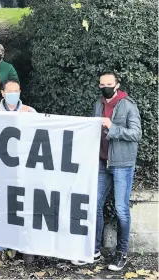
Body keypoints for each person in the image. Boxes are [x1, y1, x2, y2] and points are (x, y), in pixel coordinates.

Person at [72, 72, 142, 271]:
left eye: (109, 84)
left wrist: (113, 127)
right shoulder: (98, 104)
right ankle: (93, 250)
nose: (105, 87)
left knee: (121, 209)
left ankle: (121, 253)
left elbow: (136, 134)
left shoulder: (128, 105)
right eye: (102, 84)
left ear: (117, 84)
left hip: (122, 164)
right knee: (93, 205)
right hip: (102, 163)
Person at [0, 79, 36, 264]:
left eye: (17, 90)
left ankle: (25, 248)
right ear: (2, 93)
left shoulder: (30, 112)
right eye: (10, 91)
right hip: (0, 170)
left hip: (23, 169)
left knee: (23, 207)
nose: (13, 94)